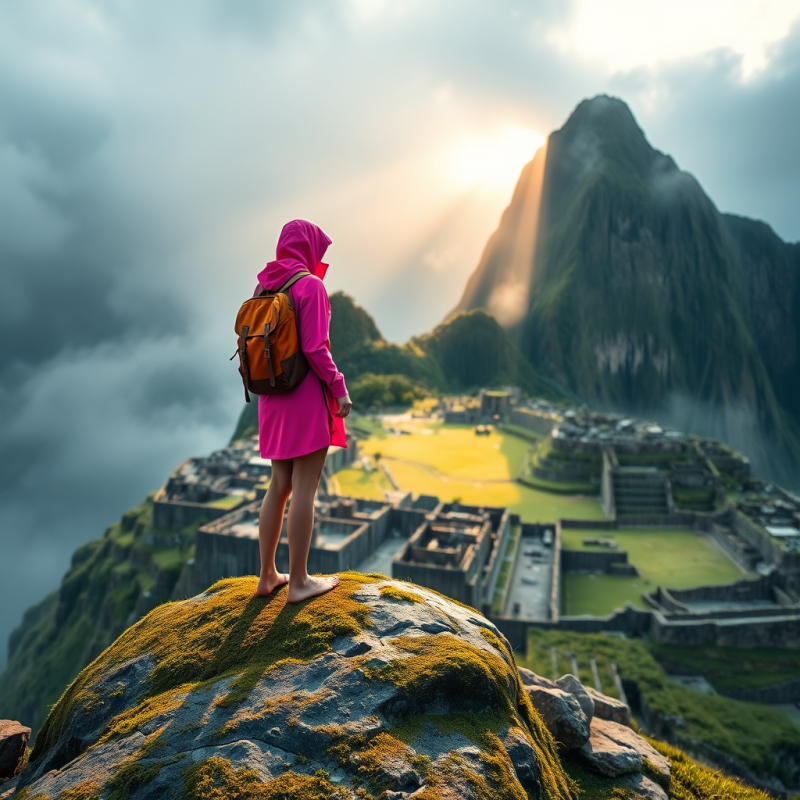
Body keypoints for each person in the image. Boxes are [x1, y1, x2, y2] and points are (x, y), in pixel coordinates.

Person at [253, 220, 352, 602]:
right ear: (308, 249)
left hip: (271, 398)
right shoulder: (310, 285)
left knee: (278, 486)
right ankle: (298, 582)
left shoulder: (264, 286)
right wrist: (339, 386)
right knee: (305, 489)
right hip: (305, 397)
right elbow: (315, 347)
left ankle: (266, 576)